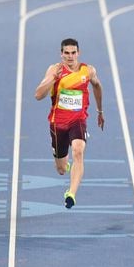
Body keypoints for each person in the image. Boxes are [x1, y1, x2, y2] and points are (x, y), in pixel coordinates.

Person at [35, 38, 104, 208]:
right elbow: (38, 95)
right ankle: (63, 165)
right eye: (67, 53)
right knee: (61, 168)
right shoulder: (54, 70)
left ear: (78, 53)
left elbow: (97, 86)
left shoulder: (88, 71)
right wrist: (53, 79)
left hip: (78, 120)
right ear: (61, 54)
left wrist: (100, 111)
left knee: (78, 151)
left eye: (73, 53)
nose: (70, 56)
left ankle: (71, 193)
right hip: (57, 123)